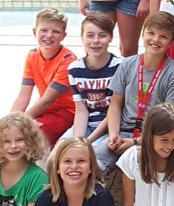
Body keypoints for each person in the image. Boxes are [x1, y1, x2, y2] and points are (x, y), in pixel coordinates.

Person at [102, 12, 174, 172]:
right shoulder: (127, 64)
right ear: (142, 34)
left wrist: (136, 142)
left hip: (152, 136)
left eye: (163, 36)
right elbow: (115, 104)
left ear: (171, 42)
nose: (155, 39)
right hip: (122, 131)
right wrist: (113, 135)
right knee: (94, 162)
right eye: (151, 33)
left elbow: (169, 119)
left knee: (140, 165)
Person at [45, 13, 122, 170]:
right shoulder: (74, 69)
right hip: (86, 125)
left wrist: (88, 141)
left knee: (88, 161)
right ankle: (53, 187)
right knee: (54, 159)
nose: (96, 41)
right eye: (90, 35)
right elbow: (81, 111)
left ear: (111, 38)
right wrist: (77, 140)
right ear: (82, 38)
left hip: (110, 127)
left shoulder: (120, 67)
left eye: (102, 35)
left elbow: (115, 110)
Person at [10, 7, 77, 148]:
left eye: (56, 31)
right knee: (5, 132)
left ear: (64, 36)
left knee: (33, 133)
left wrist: (22, 121)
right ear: (34, 32)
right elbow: (23, 96)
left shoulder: (68, 60)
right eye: (44, 30)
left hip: (67, 112)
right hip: (45, 111)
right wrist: (11, 120)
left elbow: (47, 101)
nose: (49, 35)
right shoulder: (32, 55)